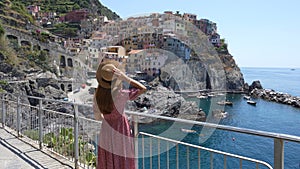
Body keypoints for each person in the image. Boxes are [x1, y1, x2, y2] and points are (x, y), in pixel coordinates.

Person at [93, 60, 147, 169]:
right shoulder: (121, 94)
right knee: (123, 154)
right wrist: (125, 78)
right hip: (121, 127)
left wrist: (107, 118)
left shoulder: (97, 95)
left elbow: (98, 116)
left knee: (108, 155)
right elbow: (143, 89)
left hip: (106, 127)